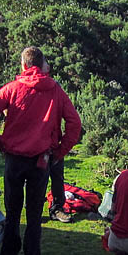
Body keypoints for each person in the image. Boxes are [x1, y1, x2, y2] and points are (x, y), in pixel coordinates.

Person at [0, 46, 81, 255]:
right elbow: (74, 123)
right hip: (41, 159)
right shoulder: (55, 89)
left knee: (12, 212)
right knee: (34, 214)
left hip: (14, 158)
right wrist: (60, 152)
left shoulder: (12, 88)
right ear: (42, 63)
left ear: (24, 65)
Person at [41, 57, 73, 223]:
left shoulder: (55, 88)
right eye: (46, 64)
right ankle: (35, 209)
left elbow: (72, 120)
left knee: (56, 176)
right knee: (37, 178)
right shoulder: (23, 87)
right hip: (36, 144)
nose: (49, 66)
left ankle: (57, 208)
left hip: (53, 142)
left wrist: (62, 148)